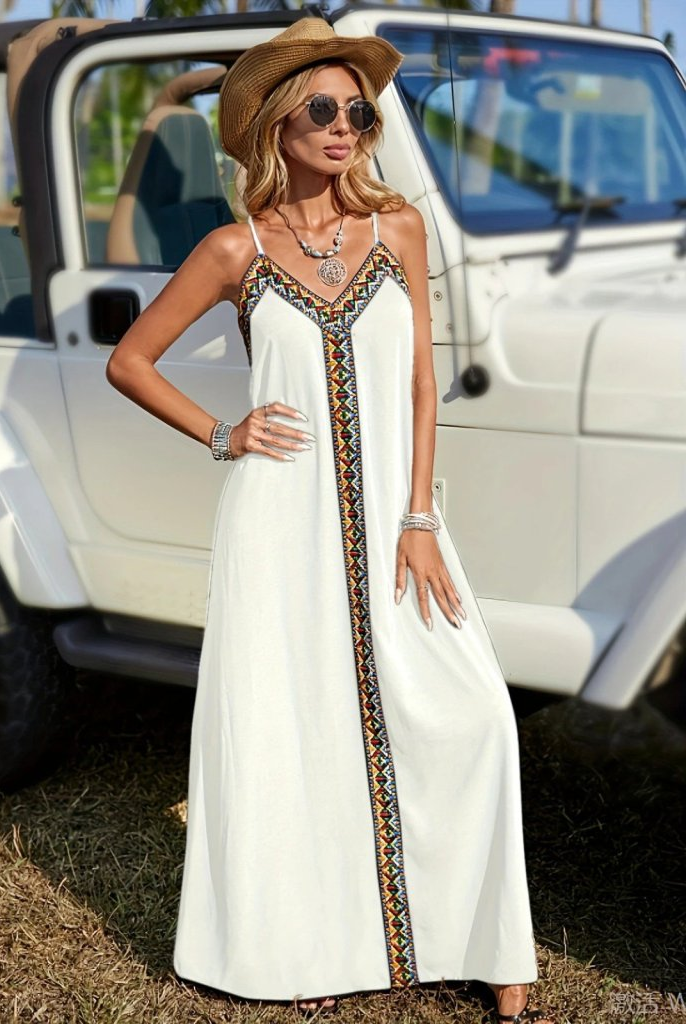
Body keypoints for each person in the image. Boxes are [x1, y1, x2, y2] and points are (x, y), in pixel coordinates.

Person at [106, 17, 556, 1024]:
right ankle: (300, 942)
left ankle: (489, 943)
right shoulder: (235, 249)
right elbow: (129, 361)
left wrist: (419, 517)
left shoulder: (398, 228)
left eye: (359, 109)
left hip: (400, 523)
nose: (346, 124)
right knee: (290, 731)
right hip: (281, 528)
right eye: (323, 108)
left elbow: (423, 384)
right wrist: (224, 434)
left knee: (473, 714)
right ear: (277, 124)